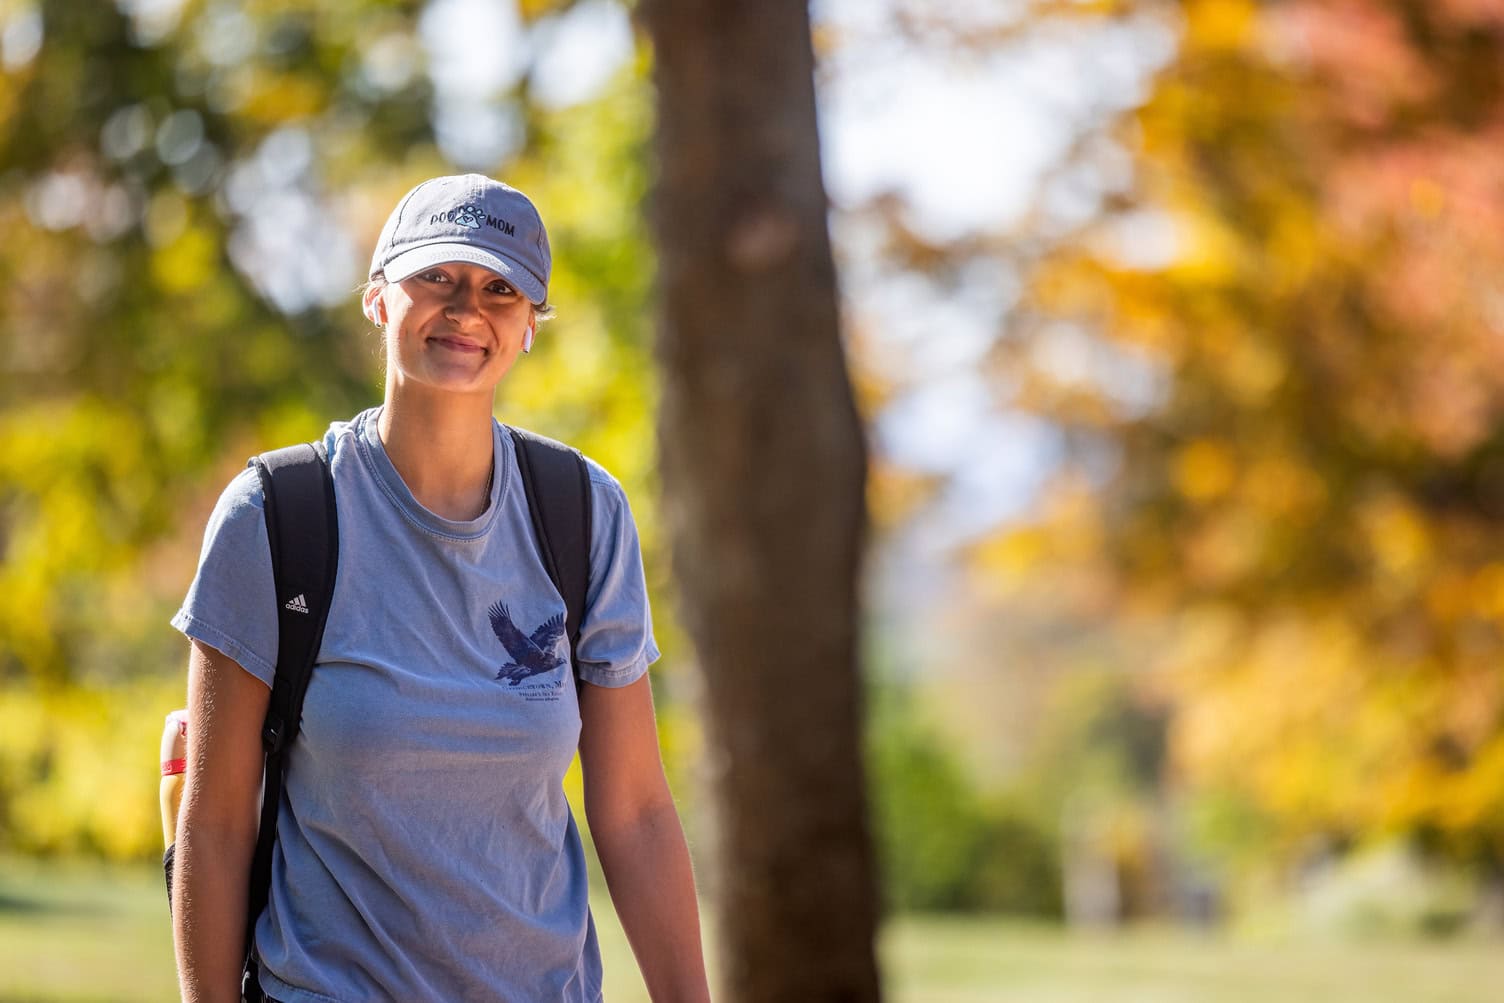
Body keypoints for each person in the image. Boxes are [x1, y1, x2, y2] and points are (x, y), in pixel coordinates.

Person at [170, 174, 711, 1003]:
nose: (466, 309)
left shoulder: (583, 514)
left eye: (500, 288)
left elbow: (635, 810)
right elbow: (214, 821)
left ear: (531, 324)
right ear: (380, 299)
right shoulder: (277, 517)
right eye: (438, 277)